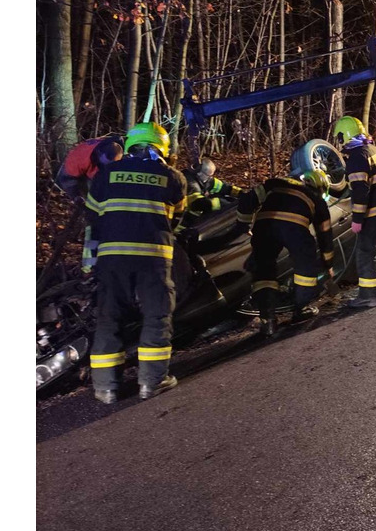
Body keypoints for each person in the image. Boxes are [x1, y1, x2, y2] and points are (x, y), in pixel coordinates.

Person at [83, 123, 187, 404]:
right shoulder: (173, 177)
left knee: (109, 316)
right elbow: (176, 219)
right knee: (157, 315)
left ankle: (106, 388)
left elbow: (93, 218)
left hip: (112, 258)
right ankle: (152, 382)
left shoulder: (106, 175)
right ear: (162, 147)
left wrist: (93, 257)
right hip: (154, 259)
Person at [237, 169, 334, 335]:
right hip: (294, 229)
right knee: (306, 266)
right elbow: (325, 235)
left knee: (264, 271)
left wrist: (243, 225)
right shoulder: (317, 200)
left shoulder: (274, 184)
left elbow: (247, 199)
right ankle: (301, 308)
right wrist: (328, 263)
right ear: (320, 187)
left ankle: (268, 320)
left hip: (264, 226)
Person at [331, 116, 376, 309]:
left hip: (373, 215)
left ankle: (369, 297)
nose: (339, 142)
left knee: (365, 253)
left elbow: (360, 193)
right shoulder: (373, 150)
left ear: (344, 136)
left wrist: (357, 219)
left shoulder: (357, 158)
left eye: (339, 137)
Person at [55, 136, 124, 200]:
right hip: (79, 175)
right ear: (99, 154)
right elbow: (67, 179)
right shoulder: (78, 159)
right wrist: (76, 197)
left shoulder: (119, 152)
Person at [180, 156, 242, 227]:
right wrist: (222, 203)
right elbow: (198, 203)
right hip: (184, 222)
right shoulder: (189, 183)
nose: (210, 178)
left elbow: (224, 188)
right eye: (208, 176)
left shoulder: (203, 179)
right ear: (199, 173)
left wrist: (243, 194)